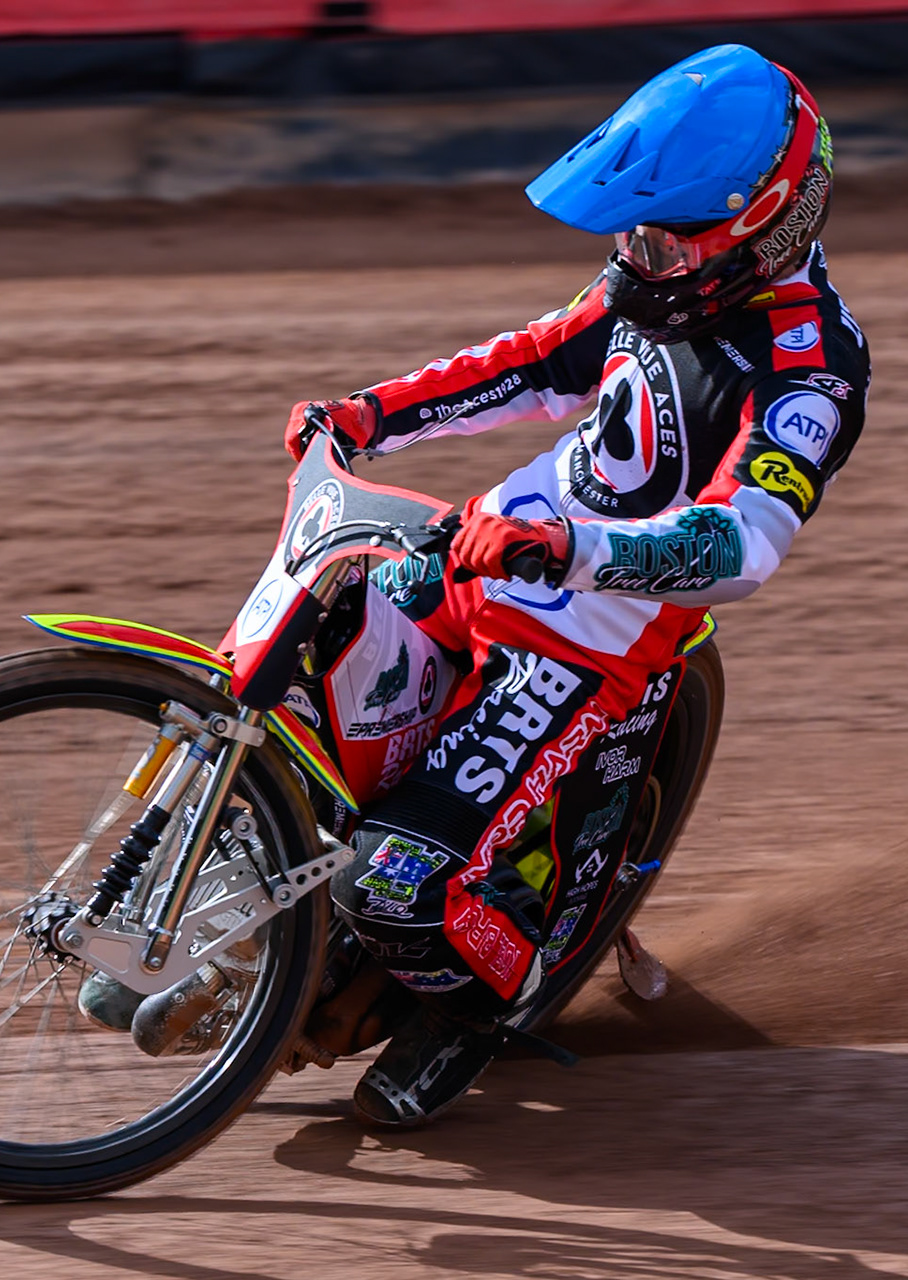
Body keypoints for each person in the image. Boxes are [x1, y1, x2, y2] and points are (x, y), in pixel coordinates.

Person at [287, 43, 871, 1127]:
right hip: (481, 552)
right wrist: (370, 413)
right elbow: (532, 360)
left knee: (395, 886)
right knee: (300, 698)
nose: (635, 258)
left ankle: (480, 1010)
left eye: (661, 237)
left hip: (590, 642)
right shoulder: (660, 279)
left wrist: (567, 551)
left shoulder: (810, 369)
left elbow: (739, 546)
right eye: (633, 234)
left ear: (758, 224)